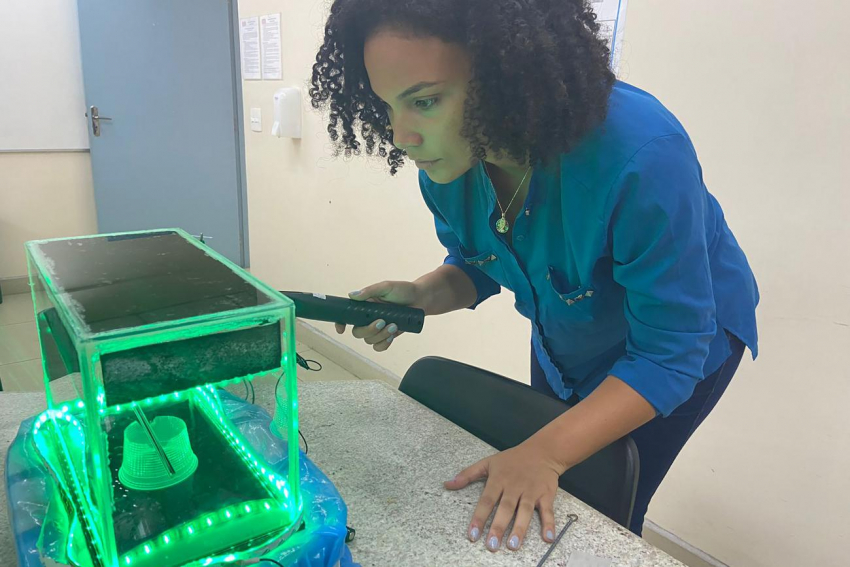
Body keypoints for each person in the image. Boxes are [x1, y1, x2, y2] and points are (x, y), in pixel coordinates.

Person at [310, 0, 759, 553]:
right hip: (566, 337)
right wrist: (422, 295)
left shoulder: (643, 155)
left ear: (504, 74)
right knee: (547, 479)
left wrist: (546, 453)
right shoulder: (449, 165)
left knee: (599, 512)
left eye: (424, 101)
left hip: (682, 346)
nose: (401, 135)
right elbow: (482, 264)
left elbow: (670, 352)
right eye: (387, 105)